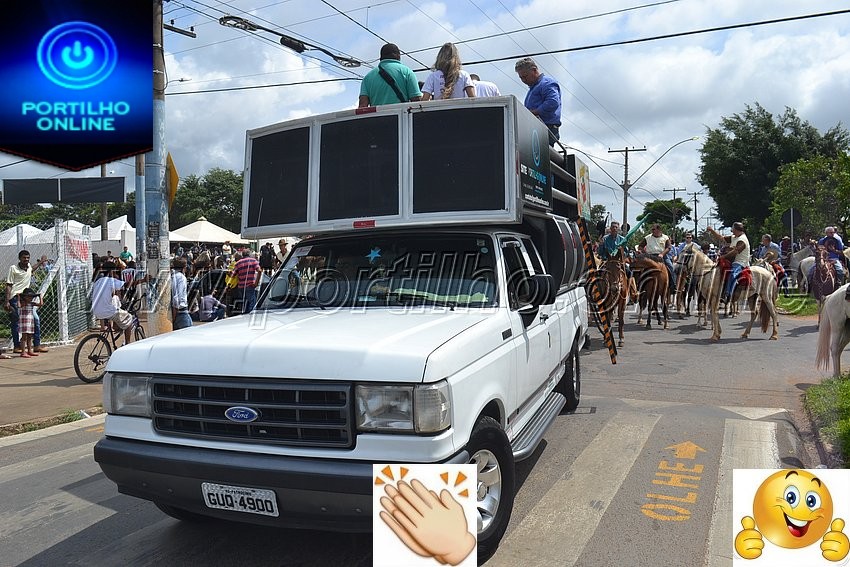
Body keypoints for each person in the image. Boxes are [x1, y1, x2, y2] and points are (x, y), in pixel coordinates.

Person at [5, 250, 49, 354]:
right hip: (16, 297)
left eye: (28, 258)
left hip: (27, 298)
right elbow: (9, 285)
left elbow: (32, 269)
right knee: (16, 322)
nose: (26, 260)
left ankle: (36, 345)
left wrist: (40, 262)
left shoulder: (28, 267)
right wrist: (7, 301)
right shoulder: (13, 268)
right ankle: (17, 346)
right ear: (19, 258)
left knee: (35, 320)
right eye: (24, 258)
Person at [514, 57, 562, 144]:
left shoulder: (547, 83)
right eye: (521, 78)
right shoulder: (533, 88)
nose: (523, 80)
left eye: (525, 76)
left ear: (534, 70)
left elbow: (552, 102)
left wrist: (532, 113)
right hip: (536, 128)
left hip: (546, 129)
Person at [358, 43, 422, 107]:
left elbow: (363, 105)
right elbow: (416, 101)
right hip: (402, 115)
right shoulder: (407, 72)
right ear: (399, 56)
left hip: (377, 116)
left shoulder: (368, 77)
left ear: (381, 57)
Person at [91, 262, 135, 345]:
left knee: (117, 309)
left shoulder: (98, 281)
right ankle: (127, 344)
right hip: (106, 311)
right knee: (129, 318)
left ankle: (117, 327)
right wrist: (138, 280)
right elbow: (125, 286)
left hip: (96, 311)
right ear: (112, 271)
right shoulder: (111, 281)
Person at [708, 222, 750, 304]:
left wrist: (723, 257)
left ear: (736, 229)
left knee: (732, 274)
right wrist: (712, 231)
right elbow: (721, 238)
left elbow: (735, 252)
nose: (731, 230)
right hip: (732, 261)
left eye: (733, 229)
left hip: (740, 262)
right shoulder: (734, 237)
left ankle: (728, 294)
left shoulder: (742, 240)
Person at [233, 249, 261, 314]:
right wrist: (256, 283)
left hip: (241, 287)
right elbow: (259, 271)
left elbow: (233, 275)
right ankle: (250, 317)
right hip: (250, 285)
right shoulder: (253, 261)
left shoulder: (238, 263)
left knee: (244, 304)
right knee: (252, 303)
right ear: (250, 254)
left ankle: (244, 317)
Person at [17, 288, 41, 358]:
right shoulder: (23, 303)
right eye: (28, 296)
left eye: (31, 297)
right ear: (24, 297)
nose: (30, 298)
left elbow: (40, 304)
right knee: (24, 337)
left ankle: (30, 350)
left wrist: (40, 297)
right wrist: (18, 298)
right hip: (24, 322)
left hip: (30, 322)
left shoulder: (31, 304)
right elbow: (18, 306)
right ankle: (23, 352)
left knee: (30, 336)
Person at [171, 257, 192, 330]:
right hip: (181, 313)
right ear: (184, 267)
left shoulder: (172, 276)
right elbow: (177, 298)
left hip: (175, 312)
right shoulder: (181, 278)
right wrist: (174, 315)